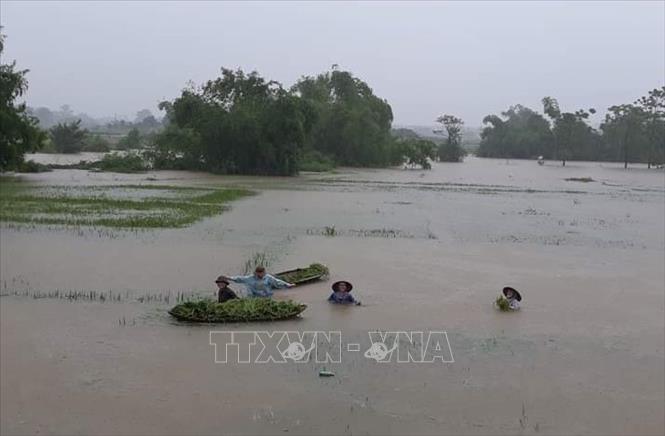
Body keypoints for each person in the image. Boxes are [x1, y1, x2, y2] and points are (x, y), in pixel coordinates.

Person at [221, 266, 295, 298]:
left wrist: (288, 285)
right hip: (254, 297)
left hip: (267, 296)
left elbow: (277, 282)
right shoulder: (250, 278)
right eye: (261, 273)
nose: (263, 274)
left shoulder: (268, 277)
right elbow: (240, 279)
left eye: (263, 273)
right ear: (257, 273)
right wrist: (229, 278)